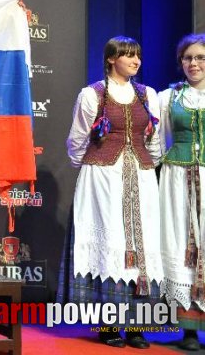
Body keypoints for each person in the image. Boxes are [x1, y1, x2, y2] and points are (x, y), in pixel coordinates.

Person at [65, 36, 162, 349]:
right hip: (104, 180)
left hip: (142, 179)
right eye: (128, 56)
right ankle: (108, 325)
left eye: (138, 56)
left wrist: (147, 165)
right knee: (112, 241)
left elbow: (155, 142)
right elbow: (77, 141)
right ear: (110, 60)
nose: (135, 61)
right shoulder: (91, 95)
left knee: (141, 244)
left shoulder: (148, 95)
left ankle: (136, 326)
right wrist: (94, 166)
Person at [159, 34, 205, 351]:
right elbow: (156, 140)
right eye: (188, 58)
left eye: (200, 57)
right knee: (181, 246)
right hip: (177, 178)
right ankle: (188, 328)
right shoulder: (168, 98)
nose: (194, 64)